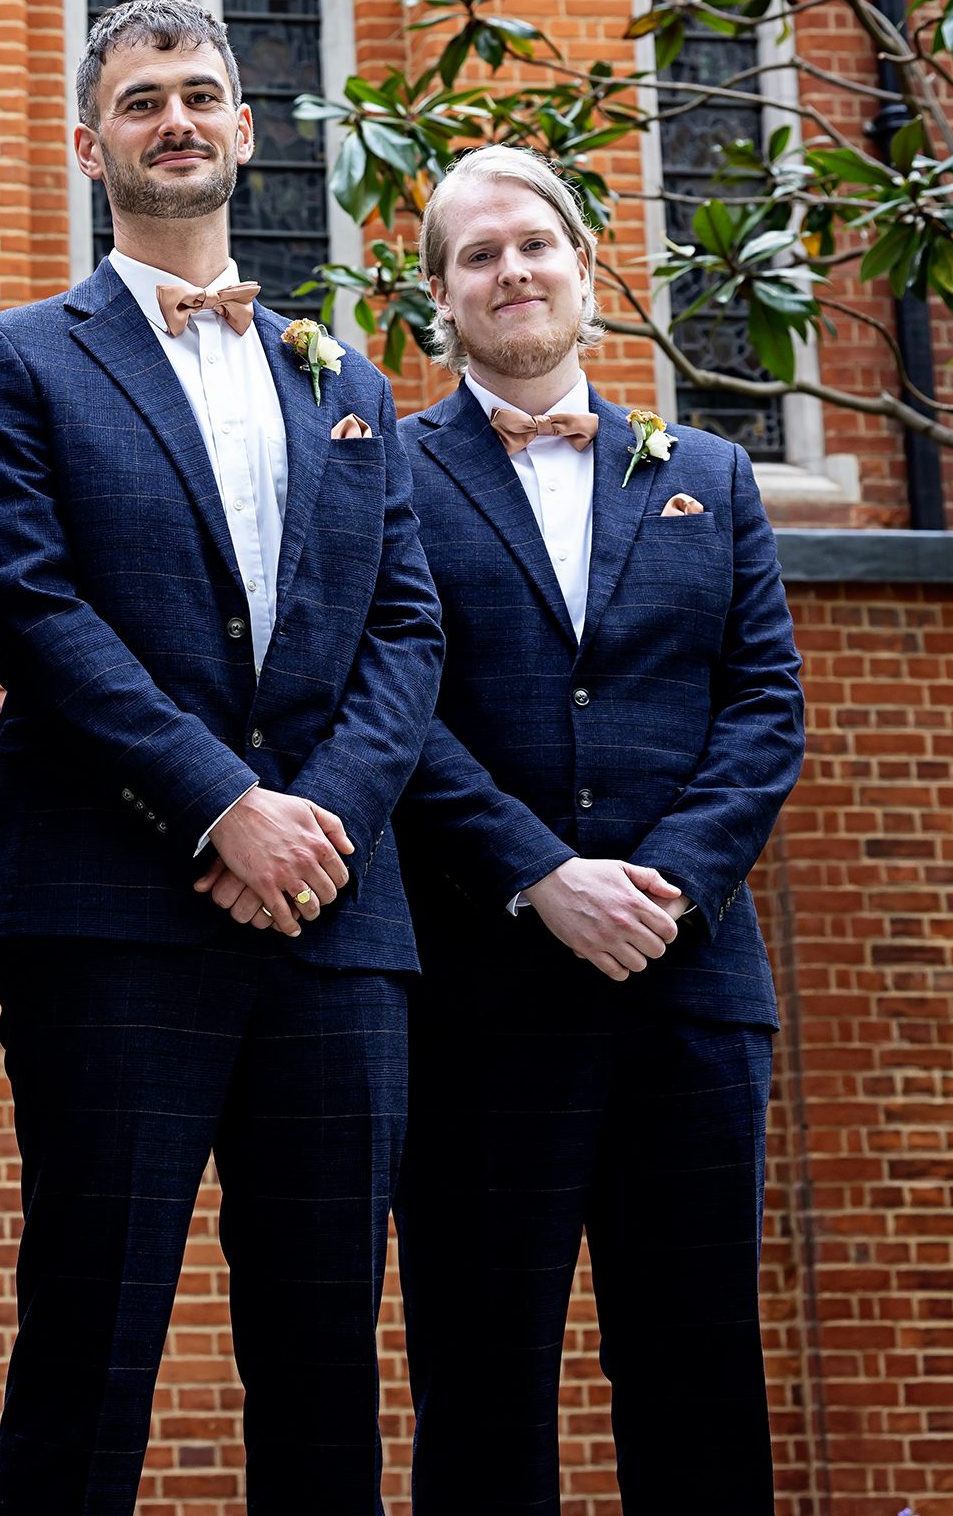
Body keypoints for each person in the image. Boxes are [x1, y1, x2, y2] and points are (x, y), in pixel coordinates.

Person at [0, 0, 445, 1513]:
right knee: (90, 1344)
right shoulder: (16, 359)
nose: (176, 120)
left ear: (244, 128)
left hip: (333, 926)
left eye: (201, 94)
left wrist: (313, 826)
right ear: (87, 144)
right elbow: (34, 608)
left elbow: (406, 630)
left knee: (328, 1364)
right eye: (142, 99)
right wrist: (224, 805)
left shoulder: (347, 382)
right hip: (111, 914)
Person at [391, 143, 804, 1512]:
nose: (511, 271)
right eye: (478, 255)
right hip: (479, 997)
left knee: (701, 1383)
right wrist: (539, 876)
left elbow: (765, 709)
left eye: (534, 245)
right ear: (441, 297)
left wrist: (667, 884)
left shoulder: (711, 474)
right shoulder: (385, 478)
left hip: (690, 994)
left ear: (583, 266)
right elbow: (388, 708)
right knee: (480, 1388)